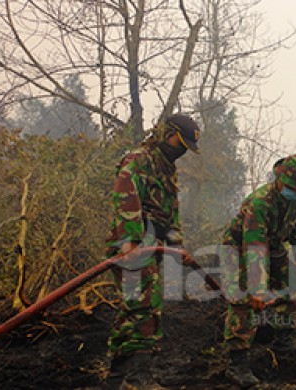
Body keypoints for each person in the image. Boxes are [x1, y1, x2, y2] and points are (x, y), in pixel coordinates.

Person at [106, 114, 201, 387]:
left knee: (134, 307)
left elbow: (170, 210)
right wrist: (130, 241)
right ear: (166, 133)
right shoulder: (138, 159)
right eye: (178, 142)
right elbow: (126, 197)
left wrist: (177, 244)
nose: (181, 150)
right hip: (132, 245)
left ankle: (117, 377)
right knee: (145, 306)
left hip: (153, 245)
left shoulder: (166, 166)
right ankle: (137, 378)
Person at [219, 154, 296, 386]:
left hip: (274, 247)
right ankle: (237, 363)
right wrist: (257, 287)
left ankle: (282, 343)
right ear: (280, 180)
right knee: (242, 302)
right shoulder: (259, 203)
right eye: (294, 187)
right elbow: (254, 247)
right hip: (241, 250)